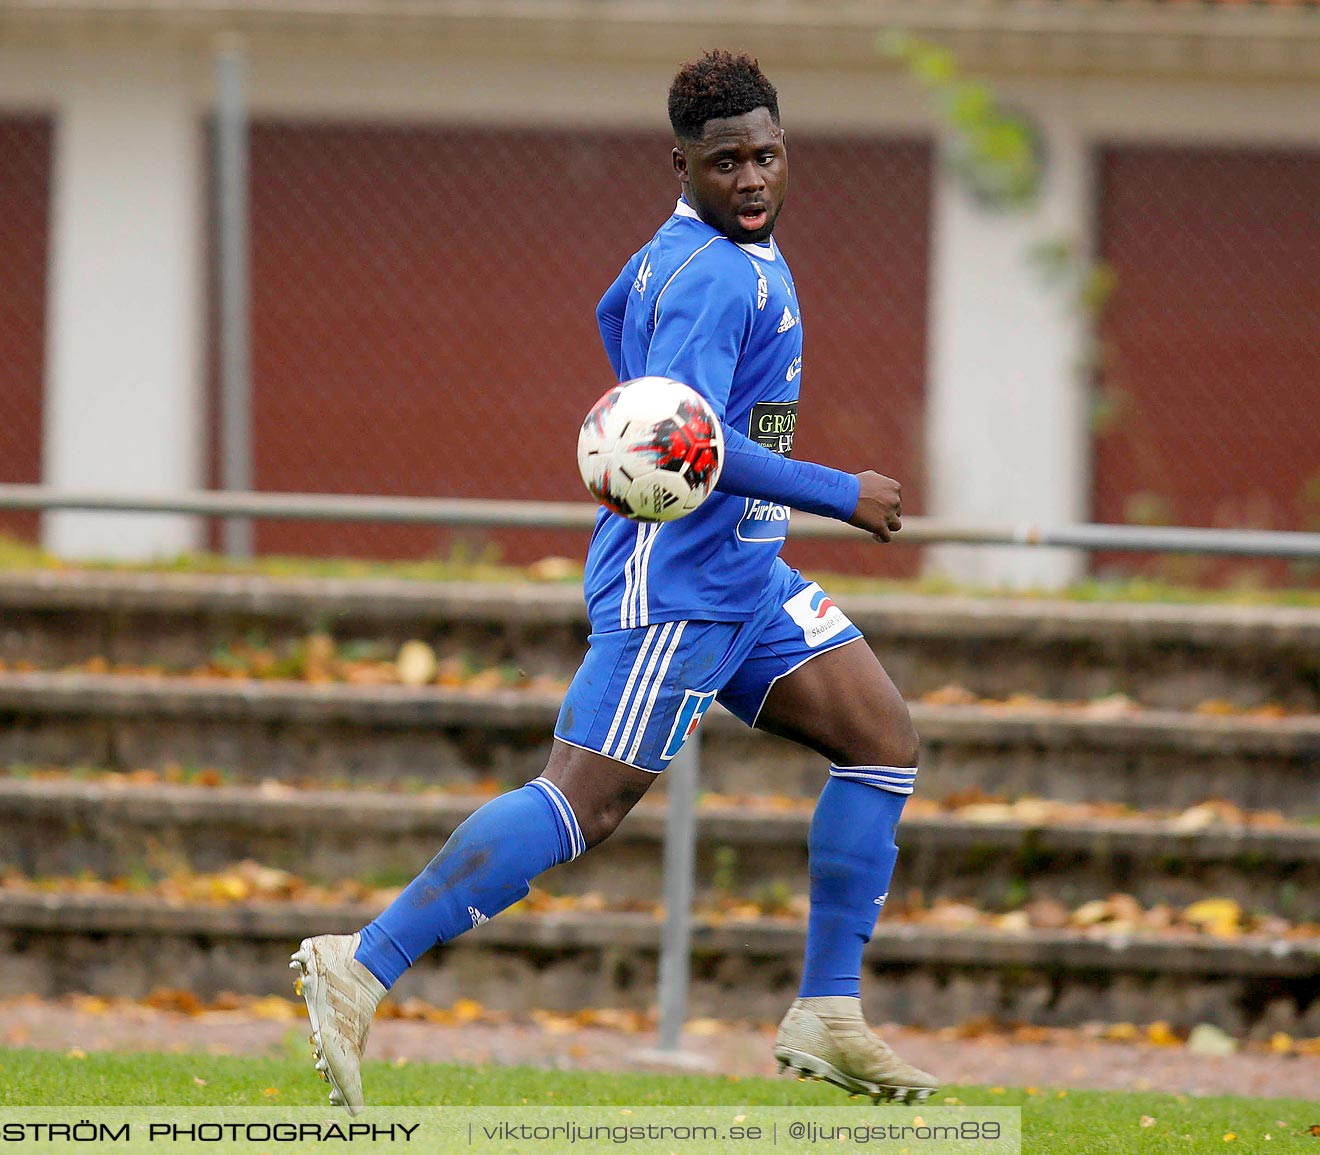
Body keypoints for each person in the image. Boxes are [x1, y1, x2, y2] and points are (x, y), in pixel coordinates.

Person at [293, 49, 937, 1113]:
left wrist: (633, 415)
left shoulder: (682, 255)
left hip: (749, 576)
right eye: (725, 161)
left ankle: (828, 1011)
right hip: (678, 586)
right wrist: (838, 489)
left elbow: (615, 321)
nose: (751, 179)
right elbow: (691, 435)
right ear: (680, 161)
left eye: (766, 155)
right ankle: (359, 965)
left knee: (881, 740)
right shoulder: (720, 272)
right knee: (579, 805)